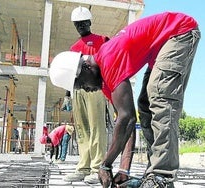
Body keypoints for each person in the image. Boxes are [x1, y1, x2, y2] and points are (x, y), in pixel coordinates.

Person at [49, 12, 200, 188]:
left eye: (82, 85)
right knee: (145, 105)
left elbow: (127, 118)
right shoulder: (105, 82)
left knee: (159, 97)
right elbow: (126, 122)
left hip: (179, 31)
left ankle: (162, 176)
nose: (87, 90)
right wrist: (123, 171)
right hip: (161, 46)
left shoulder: (108, 59)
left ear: (86, 67)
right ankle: (155, 172)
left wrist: (105, 164)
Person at [61, 6, 115, 184]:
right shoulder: (74, 47)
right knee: (83, 129)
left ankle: (96, 168)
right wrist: (68, 95)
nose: (81, 26)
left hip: (96, 89)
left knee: (97, 127)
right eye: (77, 24)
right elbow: (70, 72)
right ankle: (83, 167)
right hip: (78, 91)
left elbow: (109, 63)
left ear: (90, 22)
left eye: (83, 23)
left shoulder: (102, 40)